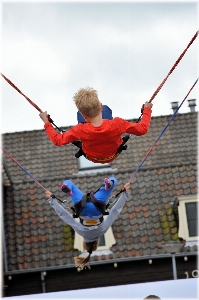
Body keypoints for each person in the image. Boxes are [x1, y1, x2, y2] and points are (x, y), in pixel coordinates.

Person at [39, 87, 153, 164]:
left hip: (92, 157)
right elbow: (143, 129)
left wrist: (47, 122)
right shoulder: (117, 123)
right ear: (101, 106)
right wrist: (147, 110)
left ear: (83, 116)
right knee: (108, 112)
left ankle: (88, 114)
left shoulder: (79, 130)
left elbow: (57, 140)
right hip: (112, 154)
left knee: (83, 121)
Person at [45, 177, 131, 270]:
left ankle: (108, 186)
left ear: (97, 242)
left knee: (114, 180)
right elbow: (65, 216)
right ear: (84, 243)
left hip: (98, 205)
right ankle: (69, 190)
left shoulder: (102, 230)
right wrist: (52, 201)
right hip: (81, 207)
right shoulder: (80, 231)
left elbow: (115, 212)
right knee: (68, 183)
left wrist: (124, 194)